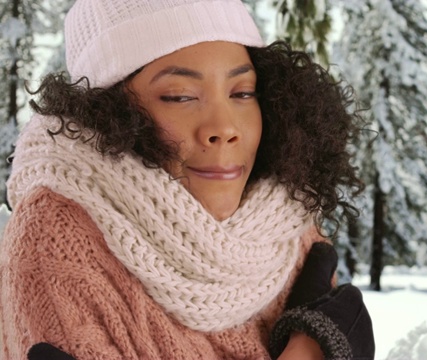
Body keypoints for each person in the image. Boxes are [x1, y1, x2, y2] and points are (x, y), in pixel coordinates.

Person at [0, 0, 375, 359]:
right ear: (106, 115)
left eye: (242, 92)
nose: (225, 128)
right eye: (179, 96)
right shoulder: (56, 237)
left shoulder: (285, 220)